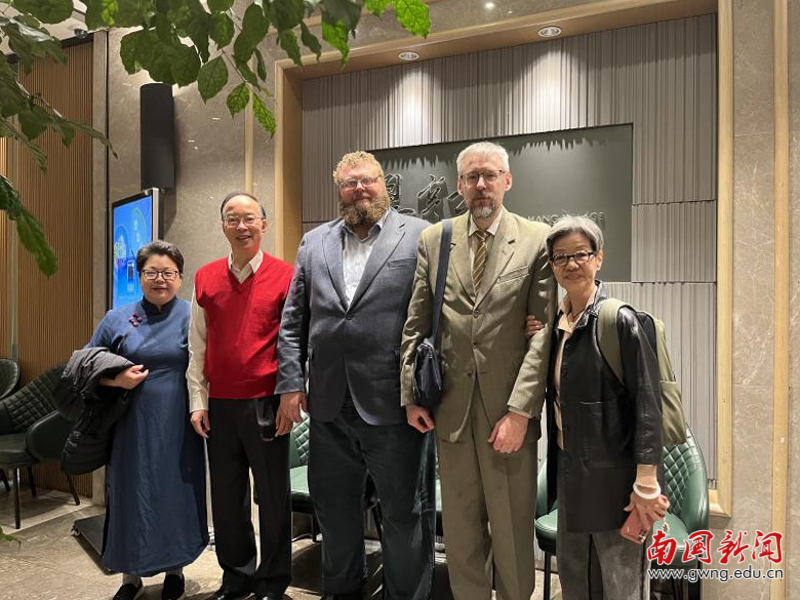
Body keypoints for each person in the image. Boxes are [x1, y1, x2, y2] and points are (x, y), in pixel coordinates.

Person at [276, 150, 435, 600]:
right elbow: (293, 321)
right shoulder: (314, 242)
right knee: (334, 510)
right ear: (339, 191)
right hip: (328, 406)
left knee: (405, 514)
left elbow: (438, 314)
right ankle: (342, 590)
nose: (359, 189)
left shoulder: (419, 235)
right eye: (349, 183)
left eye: (367, 181)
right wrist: (291, 383)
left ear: (385, 185)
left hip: (395, 406)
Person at [400, 141, 555, 600]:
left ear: (507, 180)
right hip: (450, 412)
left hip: (508, 415)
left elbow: (543, 334)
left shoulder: (537, 239)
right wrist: (411, 395)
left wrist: (521, 412)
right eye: (472, 177)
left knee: (511, 532)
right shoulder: (435, 239)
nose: (481, 185)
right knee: (461, 533)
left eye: (489, 175)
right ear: (459, 185)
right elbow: (416, 323)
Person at [541, 215, 667, 599]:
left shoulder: (621, 321)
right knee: (576, 581)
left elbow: (648, 404)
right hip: (572, 476)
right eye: (561, 257)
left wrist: (646, 483)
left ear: (599, 258)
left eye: (580, 254)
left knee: (621, 586)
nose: (571, 264)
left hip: (618, 484)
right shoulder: (557, 324)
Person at [187, 192, 294, 600]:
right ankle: (236, 577)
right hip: (220, 404)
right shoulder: (205, 277)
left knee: (273, 496)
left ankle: (272, 582)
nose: (241, 226)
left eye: (249, 218)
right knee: (227, 498)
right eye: (232, 219)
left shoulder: (286, 275)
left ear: (264, 224)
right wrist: (198, 401)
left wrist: (289, 397)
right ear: (223, 226)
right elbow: (197, 345)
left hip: (267, 402)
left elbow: (294, 342)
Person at [87, 240, 207, 600]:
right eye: (152, 272)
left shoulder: (192, 315)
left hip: (179, 425)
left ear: (180, 277)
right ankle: (130, 577)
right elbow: (85, 364)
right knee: (131, 496)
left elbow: (207, 365)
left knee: (175, 494)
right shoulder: (117, 318)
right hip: (131, 428)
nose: (160, 279)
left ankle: (175, 572)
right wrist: (116, 379)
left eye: (168, 272)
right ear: (139, 276)